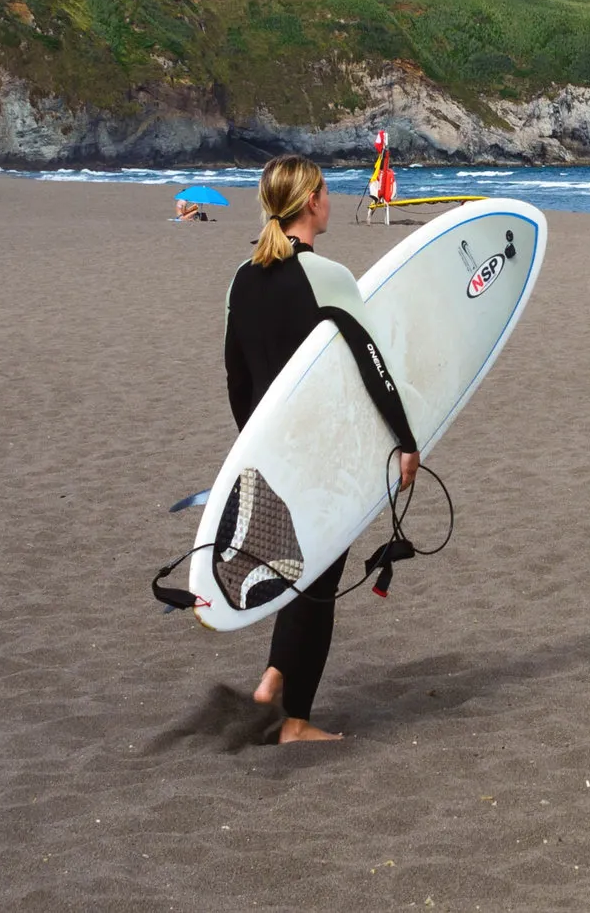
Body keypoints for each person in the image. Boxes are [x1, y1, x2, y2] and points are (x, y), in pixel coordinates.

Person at [223, 154, 419, 743]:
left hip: (268, 451)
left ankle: (276, 674)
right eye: (327, 192)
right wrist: (406, 441)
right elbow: (374, 367)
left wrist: (253, 444)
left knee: (299, 565)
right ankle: (295, 720)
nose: (330, 200)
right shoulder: (327, 276)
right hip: (323, 451)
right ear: (311, 202)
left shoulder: (242, 276)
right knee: (320, 578)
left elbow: (236, 374)